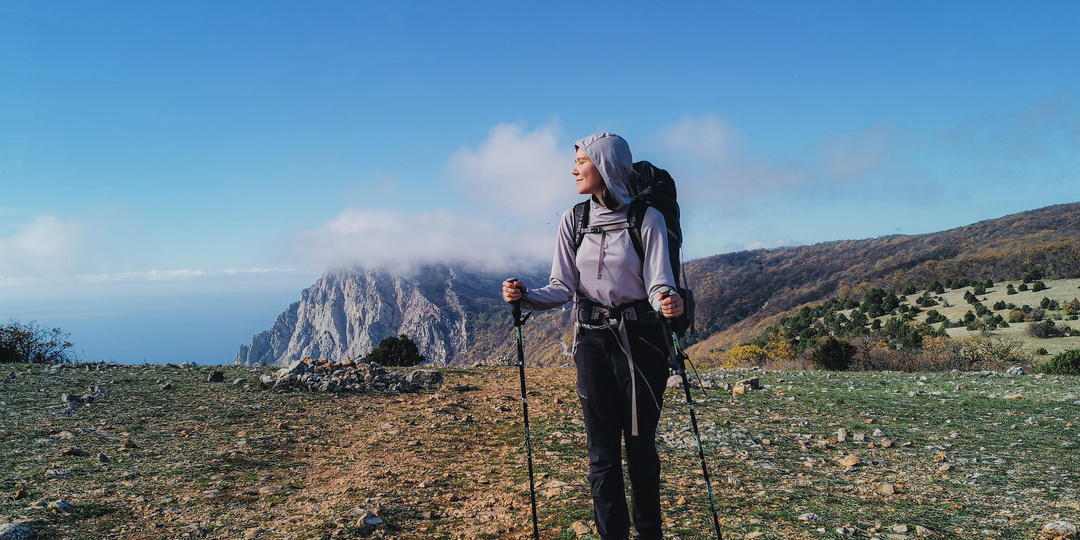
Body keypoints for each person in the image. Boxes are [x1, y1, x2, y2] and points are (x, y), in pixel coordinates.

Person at [502, 132, 684, 540]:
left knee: (640, 451)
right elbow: (561, 286)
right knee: (601, 453)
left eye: (581, 161)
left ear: (603, 166)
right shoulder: (575, 219)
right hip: (592, 343)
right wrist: (525, 297)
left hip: (641, 343)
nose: (574, 169)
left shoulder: (646, 219)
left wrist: (668, 301)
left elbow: (658, 284)